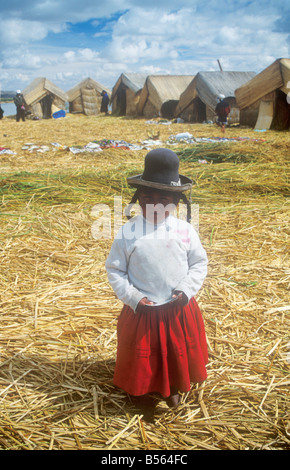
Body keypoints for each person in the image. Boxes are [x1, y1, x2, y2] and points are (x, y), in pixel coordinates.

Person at [105, 148, 208, 421]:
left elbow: (199, 263)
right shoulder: (129, 231)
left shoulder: (185, 231)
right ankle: (140, 391)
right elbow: (115, 270)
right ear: (137, 199)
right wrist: (133, 298)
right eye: (147, 198)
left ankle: (171, 386)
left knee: (175, 350)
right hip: (143, 310)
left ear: (177, 202)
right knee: (143, 355)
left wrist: (186, 291)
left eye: (164, 199)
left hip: (177, 308)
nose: (155, 205)